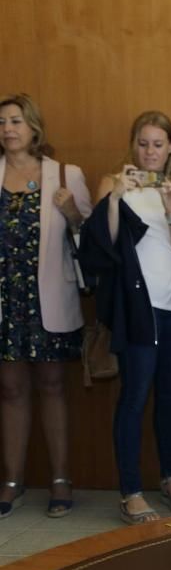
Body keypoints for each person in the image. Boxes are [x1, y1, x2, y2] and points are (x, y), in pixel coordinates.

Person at [79, 111, 171, 525]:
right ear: (134, 144)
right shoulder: (112, 183)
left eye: (158, 144)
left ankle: (170, 477)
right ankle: (130, 491)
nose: (150, 151)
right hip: (137, 307)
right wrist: (115, 197)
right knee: (133, 396)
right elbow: (104, 243)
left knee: (169, 395)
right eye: (143, 143)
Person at [0, 93, 92, 519]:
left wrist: (73, 212)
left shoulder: (63, 175)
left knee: (53, 387)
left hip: (47, 299)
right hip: (5, 300)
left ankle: (60, 479)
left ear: (34, 127)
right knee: (11, 388)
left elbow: (89, 240)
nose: (8, 129)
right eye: (2, 123)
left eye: (15, 120)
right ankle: (13, 482)